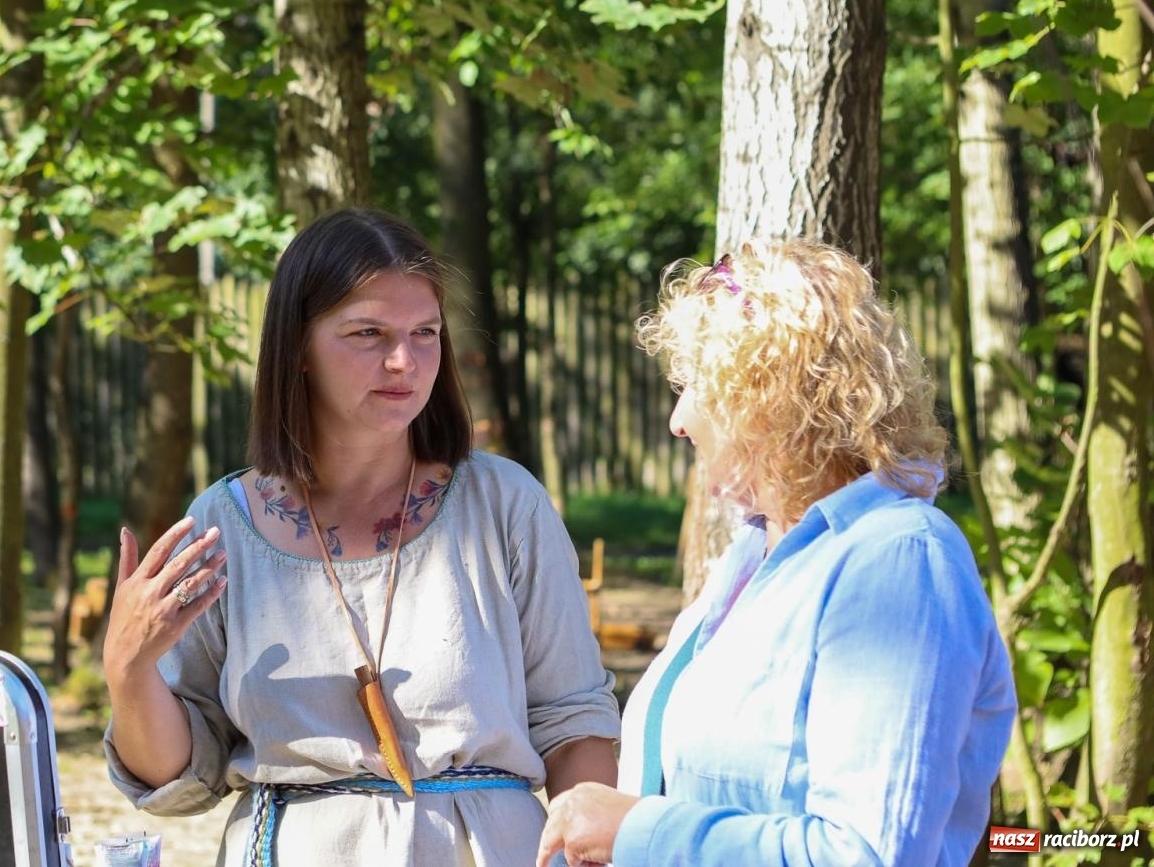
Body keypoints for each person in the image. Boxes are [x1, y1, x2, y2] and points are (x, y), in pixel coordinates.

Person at [102, 207, 621, 866]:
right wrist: (129, 669)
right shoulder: (220, 526)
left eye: (425, 332)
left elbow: (575, 723)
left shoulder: (502, 504)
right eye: (368, 333)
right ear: (299, 349)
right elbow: (182, 777)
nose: (404, 360)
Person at [537, 239, 1017, 867]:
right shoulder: (754, 556)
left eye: (694, 386)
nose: (679, 420)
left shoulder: (898, 560)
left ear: (769, 398)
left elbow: (871, 855)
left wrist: (637, 833)